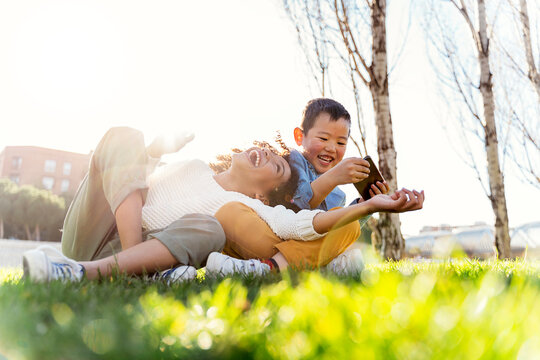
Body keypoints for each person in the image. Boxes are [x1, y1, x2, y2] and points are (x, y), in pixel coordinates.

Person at [23, 127, 424, 282]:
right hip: (102, 227)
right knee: (126, 135)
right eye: (266, 150)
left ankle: (86, 274)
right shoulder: (193, 165)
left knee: (209, 227)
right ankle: (131, 265)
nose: (265, 154)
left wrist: (370, 207)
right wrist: (150, 152)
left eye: (277, 167)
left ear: (263, 195)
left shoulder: (245, 206)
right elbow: (131, 182)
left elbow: (305, 225)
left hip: (150, 247)